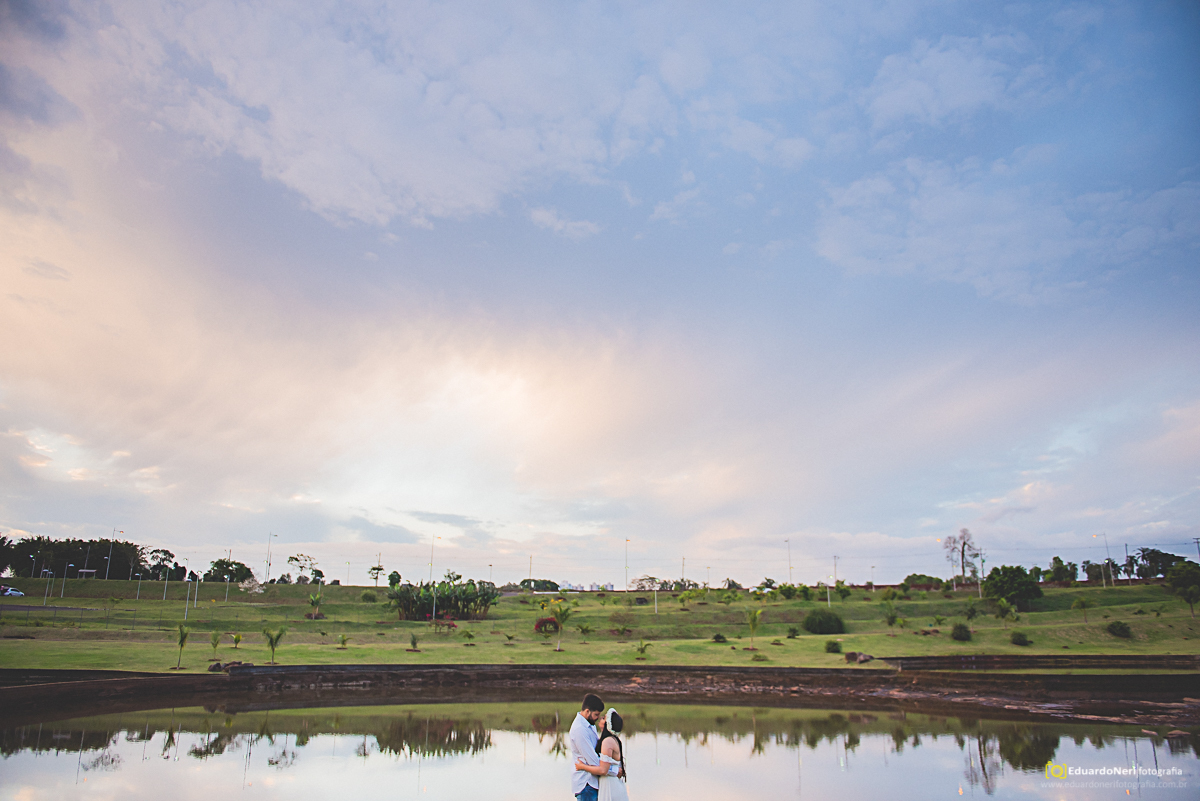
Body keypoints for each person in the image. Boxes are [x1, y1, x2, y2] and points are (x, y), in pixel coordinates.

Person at [574, 708, 629, 801]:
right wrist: (615, 770)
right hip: (609, 784)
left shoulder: (608, 741)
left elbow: (603, 770)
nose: (600, 718)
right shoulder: (611, 740)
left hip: (611, 787)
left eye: (604, 718)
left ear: (607, 724)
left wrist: (582, 767)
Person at [569, 693, 605, 801]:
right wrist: (614, 770)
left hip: (592, 784)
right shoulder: (580, 729)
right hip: (586, 784)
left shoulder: (589, 724)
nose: (598, 718)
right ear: (587, 711)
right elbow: (594, 761)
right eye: (596, 714)